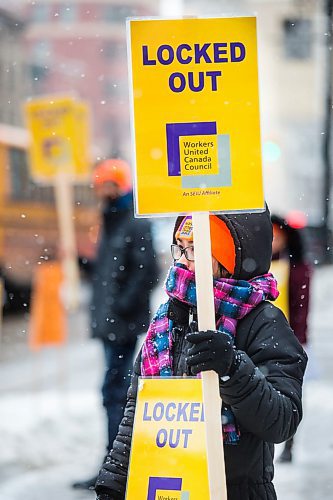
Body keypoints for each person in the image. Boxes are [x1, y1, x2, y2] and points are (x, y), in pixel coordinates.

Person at [95, 206, 307, 500]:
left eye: (194, 249)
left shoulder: (263, 321)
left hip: (238, 491)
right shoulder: (167, 318)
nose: (182, 261)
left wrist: (232, 369)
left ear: (229, 257)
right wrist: (113, 484)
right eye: (180, 249)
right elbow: (138, 412)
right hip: (170, 486)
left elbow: (282, 420)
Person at [72, 158, 158, 490]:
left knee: (115, 392)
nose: (98, 191)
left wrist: (121, 309)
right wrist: (83, 263)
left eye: (102, 184)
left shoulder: (131, 221)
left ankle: (117, 465)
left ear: (116, 185)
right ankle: (114, 462)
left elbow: (144, 271)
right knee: (113, 391)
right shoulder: (113, 219)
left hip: (120, 323)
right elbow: (112, 271)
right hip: (112, 322)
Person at [271, 213, 312, 463]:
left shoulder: (297, 268)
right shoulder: (258, 265)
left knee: (289, 393)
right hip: (264, 337)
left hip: (289, 339)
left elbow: (301, 307)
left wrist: (299, 339)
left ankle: (289, 443)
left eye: (277, 236)